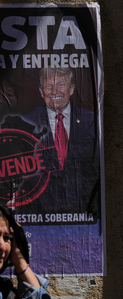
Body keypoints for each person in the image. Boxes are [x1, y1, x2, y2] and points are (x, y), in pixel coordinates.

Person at [22, 67, 100, 215]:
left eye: (61, 85)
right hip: (39, 215)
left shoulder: (92, 122)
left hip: (86, 214)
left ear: (71, 89)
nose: (54, 91)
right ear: (40, 91)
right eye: (48, 86)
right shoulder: (25, 121)